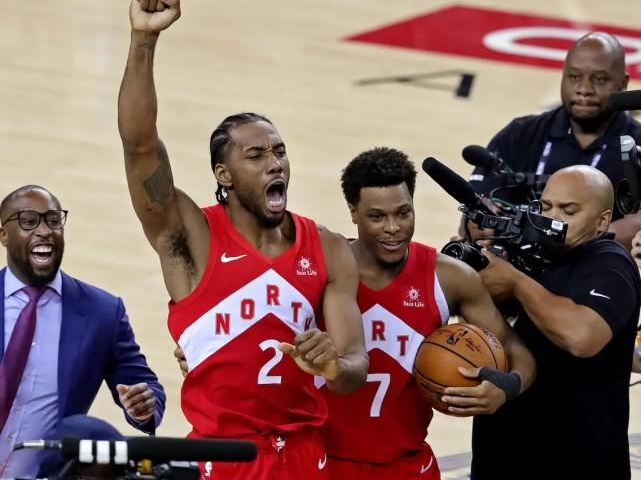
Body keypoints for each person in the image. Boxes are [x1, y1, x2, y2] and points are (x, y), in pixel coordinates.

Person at [117, 1, 368, 480]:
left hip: (303, 453)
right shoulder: (188, 237)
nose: (275, 163)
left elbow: (355, 366)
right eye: (256, 155)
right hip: (223, 455)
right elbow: (140, 146)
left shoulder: (328, 248)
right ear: (224, 175)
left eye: (279, 151)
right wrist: (143, 41)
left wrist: (334, 366)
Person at [176, 147, 536, 480]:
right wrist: (203, 351)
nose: (393, 228)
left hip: (405, 465)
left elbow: (516, 350)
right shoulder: (320, 269)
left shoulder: (450, 278)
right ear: (352, 212)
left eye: (403, 213)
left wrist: (507, 386)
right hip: (319, 462)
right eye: (377, 217)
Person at [472, 166, 640, 480]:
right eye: (546, 207)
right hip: (502, 456)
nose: (553, 218)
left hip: (582, 463)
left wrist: (516, 283)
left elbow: (581, 337)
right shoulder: (524, 254)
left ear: (602, 221)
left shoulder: (612, 263)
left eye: (568, 210)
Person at [0, 185, 165, 478]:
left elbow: (143, 384)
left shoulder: (102, 313)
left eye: (53, 220)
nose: (44, 231)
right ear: (4, 235)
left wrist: (143, 405)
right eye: (29, 221)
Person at [467, 32, 641, 249]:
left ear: (623, 83)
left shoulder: (637, 144)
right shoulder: (521, 134)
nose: (584, 89)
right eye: (574, 77)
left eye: (600, 80)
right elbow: (477, 203)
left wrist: (570, 242)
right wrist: (476, 223)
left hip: (598, 264)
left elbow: (638, 224)